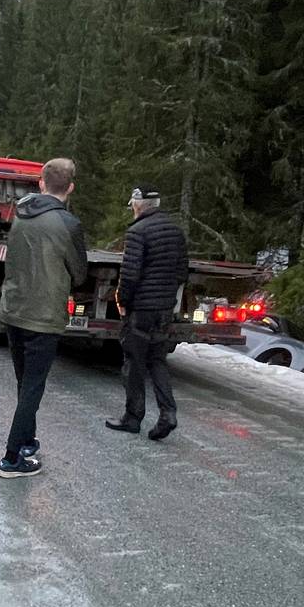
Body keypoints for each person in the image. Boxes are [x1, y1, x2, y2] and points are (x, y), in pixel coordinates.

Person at [0, 158, 87, 478]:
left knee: (25, 382)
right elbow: (79, 274)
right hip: (43, 316)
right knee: (33, 386)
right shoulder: (69, 225)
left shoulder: (19, 214)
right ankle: (11, 460)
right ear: (71, 187)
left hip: (13, 309)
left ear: (41, 183)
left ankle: (26, 441)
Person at [106, 184, 188, 440]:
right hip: (164, 309)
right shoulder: (176, 231)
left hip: (140, 309)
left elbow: (130, 274)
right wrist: (167, 299)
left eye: (133, 203)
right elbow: (181, 271)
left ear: (139, 204)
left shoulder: (137, 232)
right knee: (157, 360)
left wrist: (123, 301)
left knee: (133, 362)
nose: (132, 207)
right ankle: (168, 413)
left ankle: (133, 417)